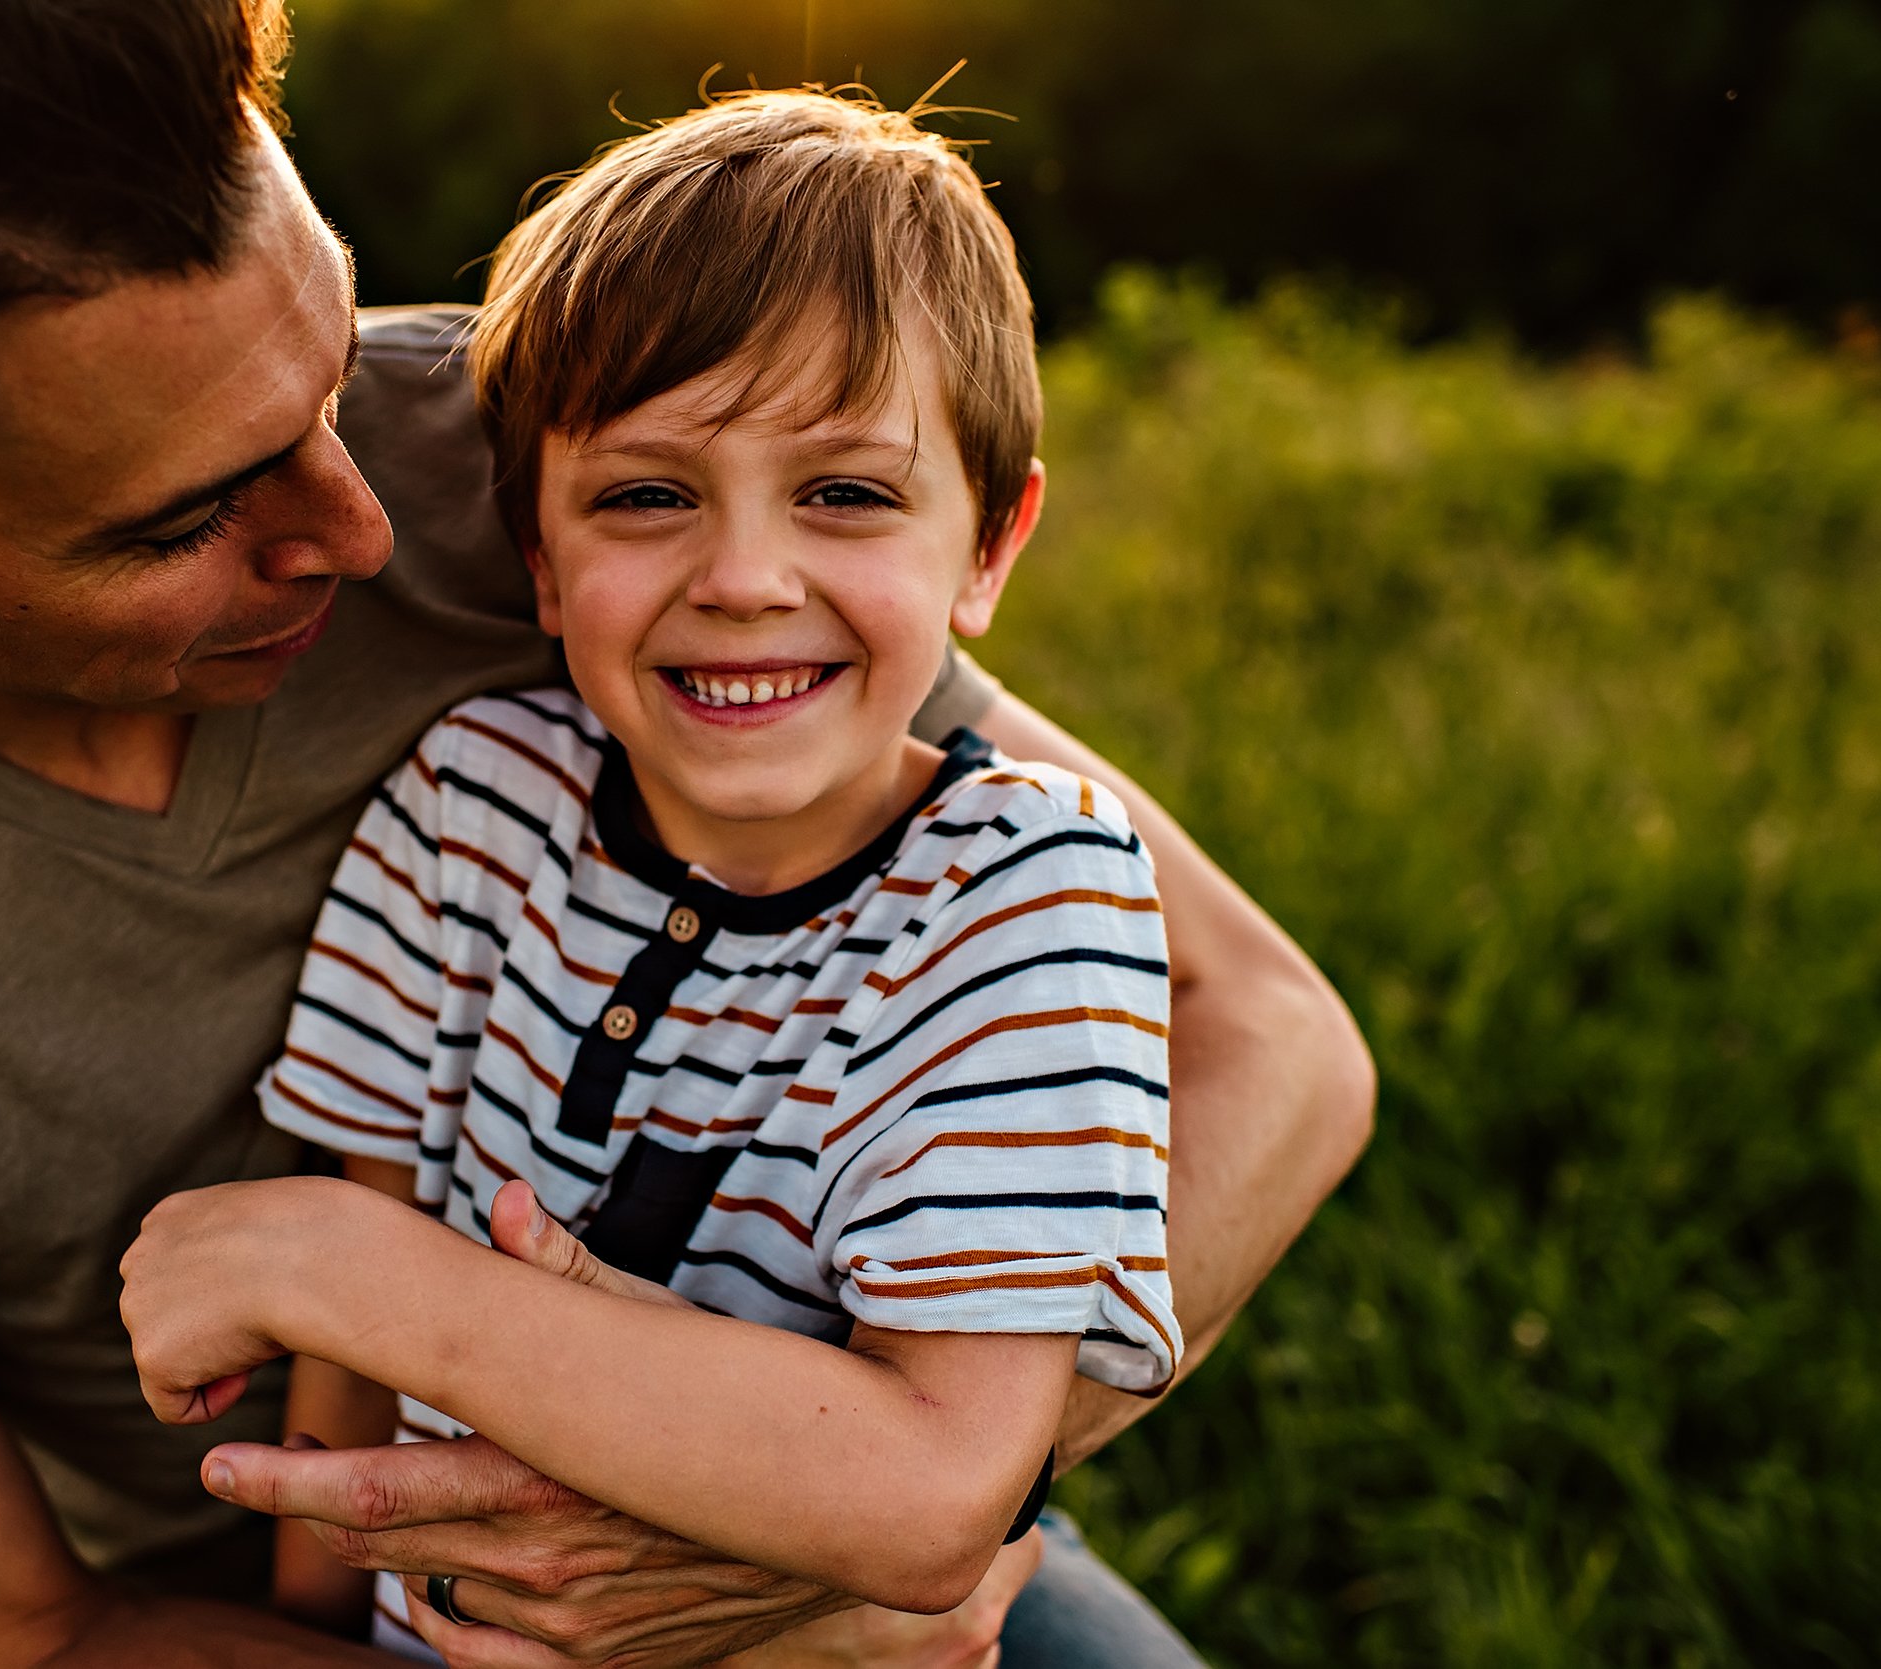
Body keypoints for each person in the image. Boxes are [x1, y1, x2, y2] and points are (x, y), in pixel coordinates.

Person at [0, 1, 1373, 1665]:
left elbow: (1268, 1038)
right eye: (179, 519)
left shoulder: (557, 452)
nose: (374, 524)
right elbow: (4, 1630)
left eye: (321, 377)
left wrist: (818, 1531)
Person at [116, 90, 1184, 1663]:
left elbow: (933, 1487)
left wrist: (345, 1276)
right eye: (645, 494)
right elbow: (348, 1388)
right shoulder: (469, 805)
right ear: (538, 560)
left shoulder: (1029, 890)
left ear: (989, 545)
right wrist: (326, 1629)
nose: (745, 578)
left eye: (847, 492)